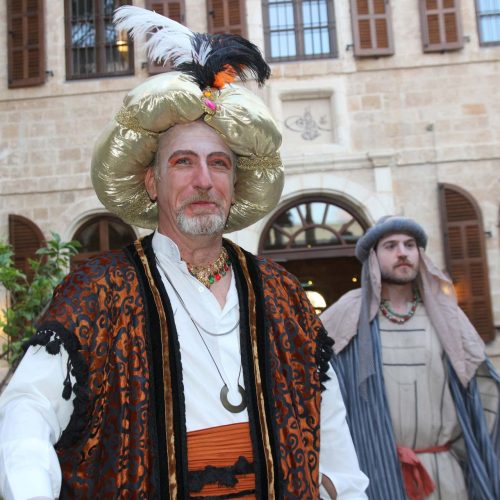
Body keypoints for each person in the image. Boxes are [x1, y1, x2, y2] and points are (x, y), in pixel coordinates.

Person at [0, 6, 368, 499]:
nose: (203, 180)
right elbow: (27, 408)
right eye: (182, 162)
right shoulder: (99, 291)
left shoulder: (283, 295)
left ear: (234, 186)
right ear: (152, 182)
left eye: (219, 164)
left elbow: (334, 437)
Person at [321, 215, 500, 500]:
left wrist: (467, 449)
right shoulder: (347, 314)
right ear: (373, 257)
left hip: (446, 475)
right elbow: (318, 383)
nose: (402, 252)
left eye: (409, 244)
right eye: (390, 246)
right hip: (375, 472)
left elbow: (483, 391)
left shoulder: (446, 315)